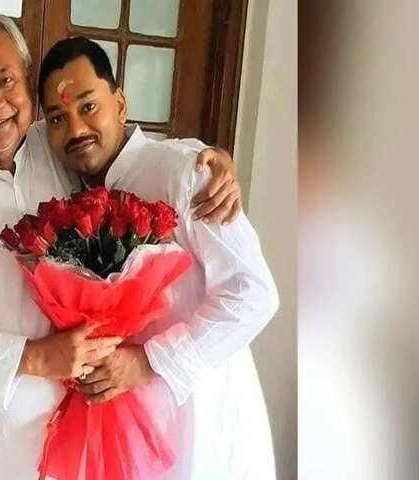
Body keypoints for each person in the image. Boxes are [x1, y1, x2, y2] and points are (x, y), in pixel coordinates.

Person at [0, 14, 245, 480]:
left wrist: (210, 161)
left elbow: (121, 141)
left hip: (70, 438)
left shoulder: (57, 150)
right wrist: (35, 357)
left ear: (28, 87)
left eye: (6, 81)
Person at [36, 37, 279, 479]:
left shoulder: (184, 172)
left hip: (202, 420)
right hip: (125, 431)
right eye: (57, 118)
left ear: (120, 104)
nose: (75, 129)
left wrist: (150, 362)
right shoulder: (71, 189)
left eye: (88, 106)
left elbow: (254, 294)